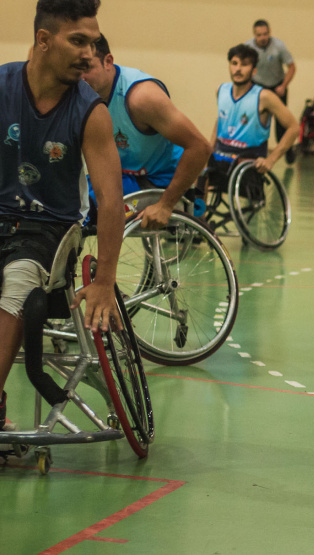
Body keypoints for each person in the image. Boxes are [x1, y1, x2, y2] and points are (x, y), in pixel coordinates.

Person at [1, 0, 124, 434]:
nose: (89, 53)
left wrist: (105, 281)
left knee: (16, 285)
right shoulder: (1, 85)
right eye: (78, 41)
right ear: (43, 40)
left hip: (51, 228)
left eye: (93, 43)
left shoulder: (91, 112)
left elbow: (111, 200)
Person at [81, 34, 211, 228]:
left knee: (86, 211)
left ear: (108, 61)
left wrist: (166, 205)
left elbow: (200, 147)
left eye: (87, 68)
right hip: (122, 175)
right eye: (77, 69)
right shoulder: (81, 93)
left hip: (158, 179)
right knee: (64, 202)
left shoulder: (141, 98)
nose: (81, 78)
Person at [198, 44, 298, 196]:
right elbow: (221, 120)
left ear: (254, 70)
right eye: (234, 63)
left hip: (247, 160)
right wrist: (209, 149)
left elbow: (294, 128)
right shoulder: (221, 90)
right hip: (221, 156)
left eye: (244, 65)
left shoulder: (264, 97)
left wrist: (271, 160)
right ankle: (199, 218)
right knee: (194, 170)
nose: (238, 69)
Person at [244, 20, 297, 164]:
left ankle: (288, 149)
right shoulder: (248, 47)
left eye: (265, 34)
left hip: (277, 87)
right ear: (254, 35)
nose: (263, 37)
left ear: (270, 32)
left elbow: (291, 67)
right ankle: (255, 151)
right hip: (258, 87)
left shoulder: (278, 46)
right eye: (259, 35)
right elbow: (244, 68)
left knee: (282, 125)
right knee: (257, 121)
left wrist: (284, 85)